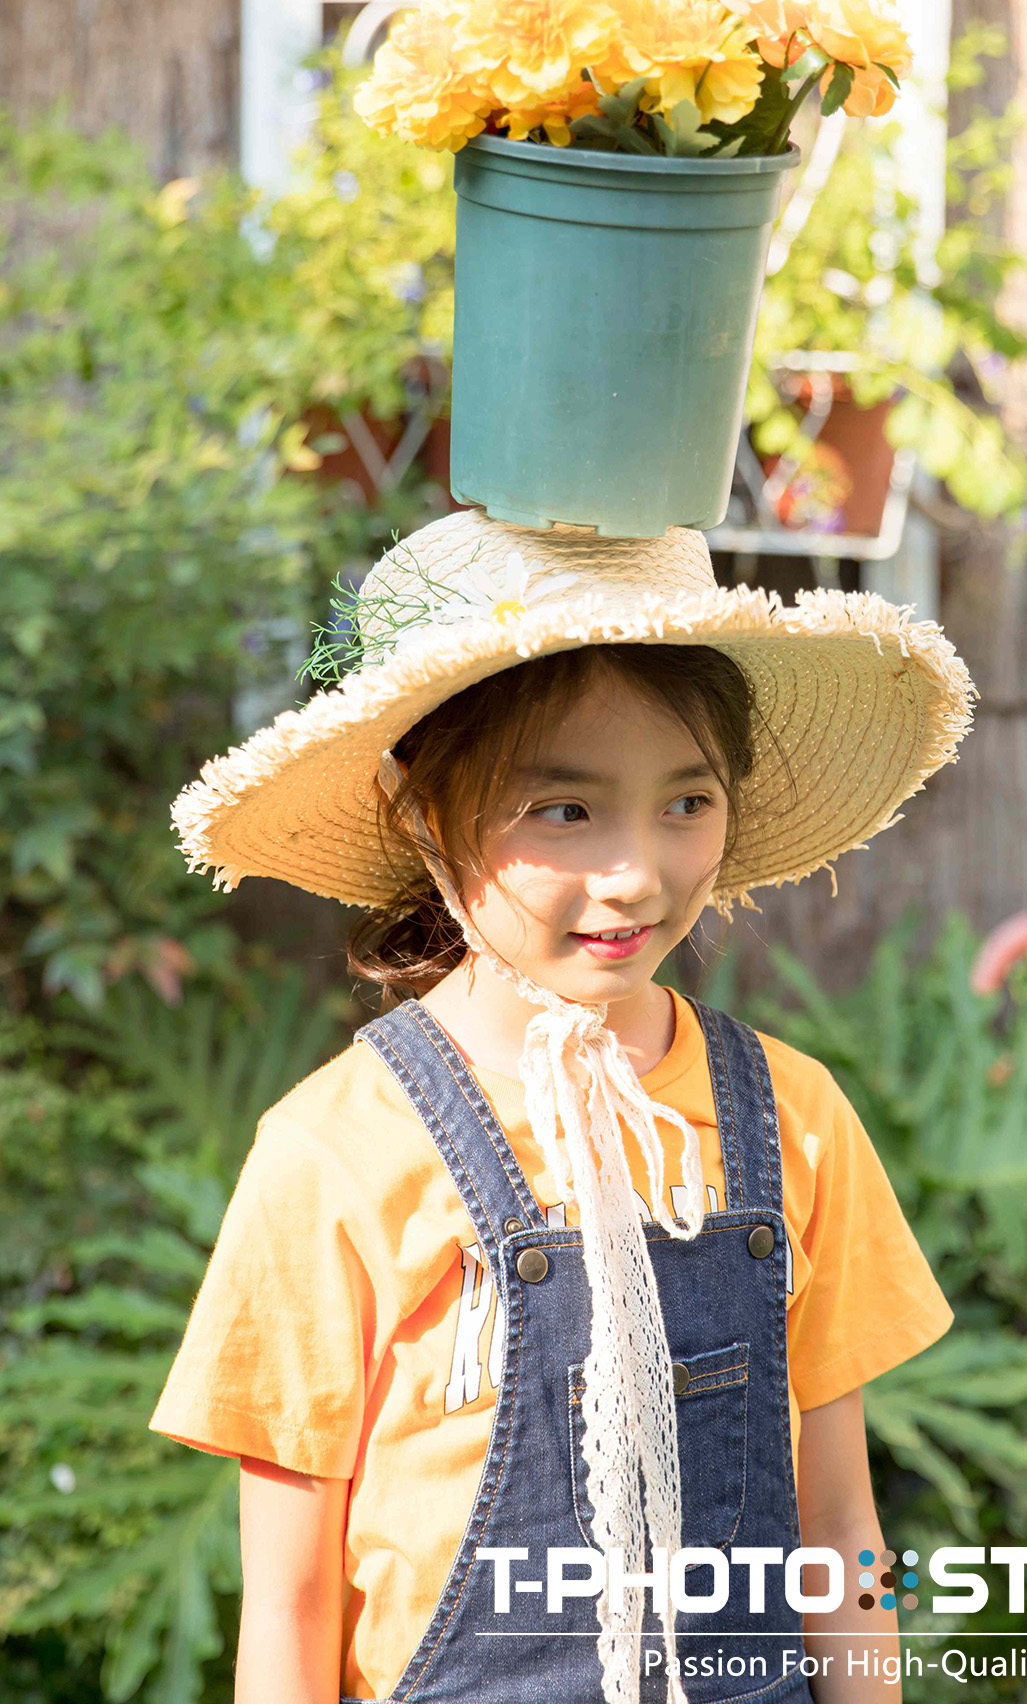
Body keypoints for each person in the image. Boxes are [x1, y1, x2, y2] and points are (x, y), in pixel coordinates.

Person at [152, 509, 974, 1704]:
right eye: (566, 810)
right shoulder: (335, 1152)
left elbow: (844, 1527)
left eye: (688, 801)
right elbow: (289, 1601)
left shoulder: (793, 1116)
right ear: (420, 812)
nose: (637, 872)